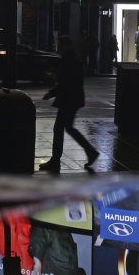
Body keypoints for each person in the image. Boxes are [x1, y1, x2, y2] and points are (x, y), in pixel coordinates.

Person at [39, 35, 98, 174]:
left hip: (69, 99)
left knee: (59, 128)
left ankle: (56, 160)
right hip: (71, 99)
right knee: (67, 128)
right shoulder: (72, 58)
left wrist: (52, 92)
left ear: (66, 45)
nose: (58, 49)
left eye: (60, 46)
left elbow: (68, 83)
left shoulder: (70, 60)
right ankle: (90, 152)